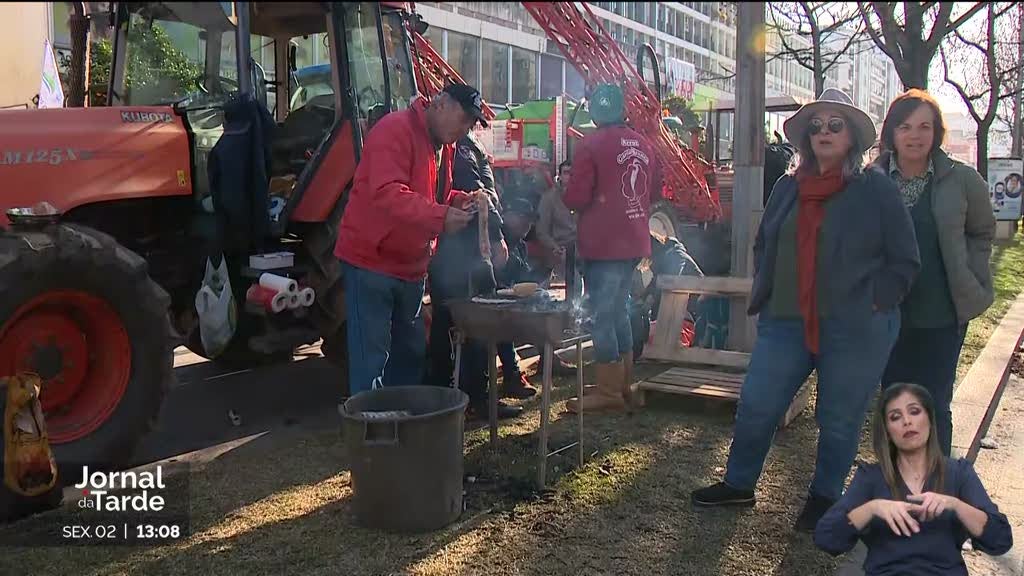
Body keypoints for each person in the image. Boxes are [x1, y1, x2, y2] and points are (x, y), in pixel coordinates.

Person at [690, 88, 921, 532]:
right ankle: (738, 484)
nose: (824, 133)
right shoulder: (788, 186)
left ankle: (825, 498)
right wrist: (769, 285)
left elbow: (905, 260)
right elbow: (765, 240)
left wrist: (875, 300)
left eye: (835, 125)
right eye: (816, 126)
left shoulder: (876, 189)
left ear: (851, 135)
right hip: (786, 322)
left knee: (838, 417)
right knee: (757, 404)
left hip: (854, 327)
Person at [334, 83, 488, 397]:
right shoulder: (395, 130)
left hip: (411, 267)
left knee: (410, 354)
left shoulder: (444, 146)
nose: (465, 129)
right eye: (463, 119)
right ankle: (372, 433)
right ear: (441, 103)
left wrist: (458, 201)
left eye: (471, 124)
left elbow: (433, 197)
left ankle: (401, 426)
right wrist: (441, 217)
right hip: (372, 263)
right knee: (372, 359)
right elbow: (388, 193)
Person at [875, 89, 996, 457]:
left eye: (925, 126)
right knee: (894, 403)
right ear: (892, 132)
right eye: (906, 126)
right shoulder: (872, 179)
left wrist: (967, 272)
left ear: (937, 132)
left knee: (933, 404)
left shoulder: (961, 180)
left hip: (942, 315)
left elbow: (982, 230)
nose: (915, 135)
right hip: (885, 315)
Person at [814, 383, 1012, 574]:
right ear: (888, 432)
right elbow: (826, 537)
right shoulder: (871, 477)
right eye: (895, 417)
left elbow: (1000, 539)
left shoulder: (958, 473)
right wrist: (872, 508)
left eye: (914, 412)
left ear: (930, 420)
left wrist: (955, 505)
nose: (906, 421)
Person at [562, 84, 662, 414]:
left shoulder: (590, 145)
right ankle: (622, 383)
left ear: (594, 111)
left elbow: (577, 197)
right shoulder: (645, 145)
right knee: (619, 311)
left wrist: (563, 192)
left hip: (603, 244)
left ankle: (608, 391)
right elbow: (655, 191)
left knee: (603, 315)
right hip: (634, 240)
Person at [536, 160, 577, 281]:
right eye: (566, 173)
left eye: (573, 173)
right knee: (575, 282)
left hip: (583, 248)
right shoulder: (549, 198)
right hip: (560, 247)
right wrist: (554, 247)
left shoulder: (585, 195)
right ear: (560, 175)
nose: (570, 176)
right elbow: (542, 231)